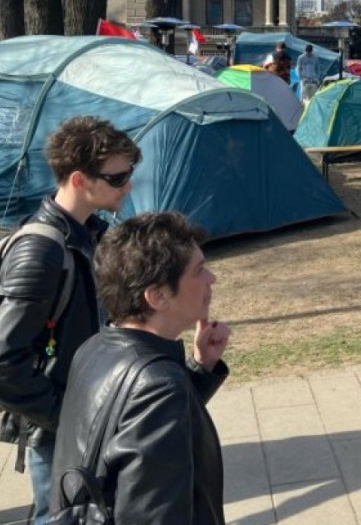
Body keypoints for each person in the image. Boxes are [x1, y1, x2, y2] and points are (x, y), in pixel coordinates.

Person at [0, 116, 140, 523]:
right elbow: (4, 360)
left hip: (89, 416)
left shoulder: (91, 234)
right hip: (59, 430)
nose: (128, 186)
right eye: (117, 177)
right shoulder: (40, 251)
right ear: (79, 180)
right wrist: (64, 415)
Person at [51, 212, 230, 524]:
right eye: (199, 271)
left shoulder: (95, 347)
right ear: (158, 296)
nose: (211, 278)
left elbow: (131, 424)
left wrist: (201, 367)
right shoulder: (157, 384)